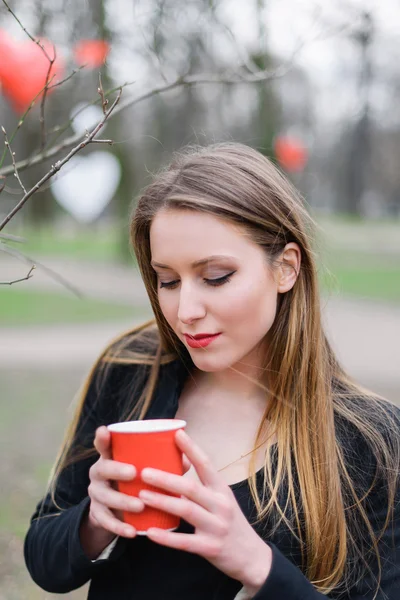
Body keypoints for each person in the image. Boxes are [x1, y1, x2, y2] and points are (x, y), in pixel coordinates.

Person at [24, 143, 399, 599]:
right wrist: (91, 521)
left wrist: (258, 565)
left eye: (216, 276)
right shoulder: (130, 370)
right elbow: (45, 561)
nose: (186, 311)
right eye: (168, 280)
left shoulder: (371, 440)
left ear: (285, 268)